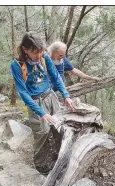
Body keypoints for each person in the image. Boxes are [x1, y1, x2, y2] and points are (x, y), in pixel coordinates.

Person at [10, 32, 76, 175]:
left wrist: (66, 96)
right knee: (42, 133)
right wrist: (42, 113)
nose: (39, 56)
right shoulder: (17, 65)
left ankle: (60, 157)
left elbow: (56, 77)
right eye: (35, 53)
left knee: (60, 127)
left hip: (50, 96)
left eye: (41, 52)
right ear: (25, 49)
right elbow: (23, 92)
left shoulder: (45, 57)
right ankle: (41, 166)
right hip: (35, 102)